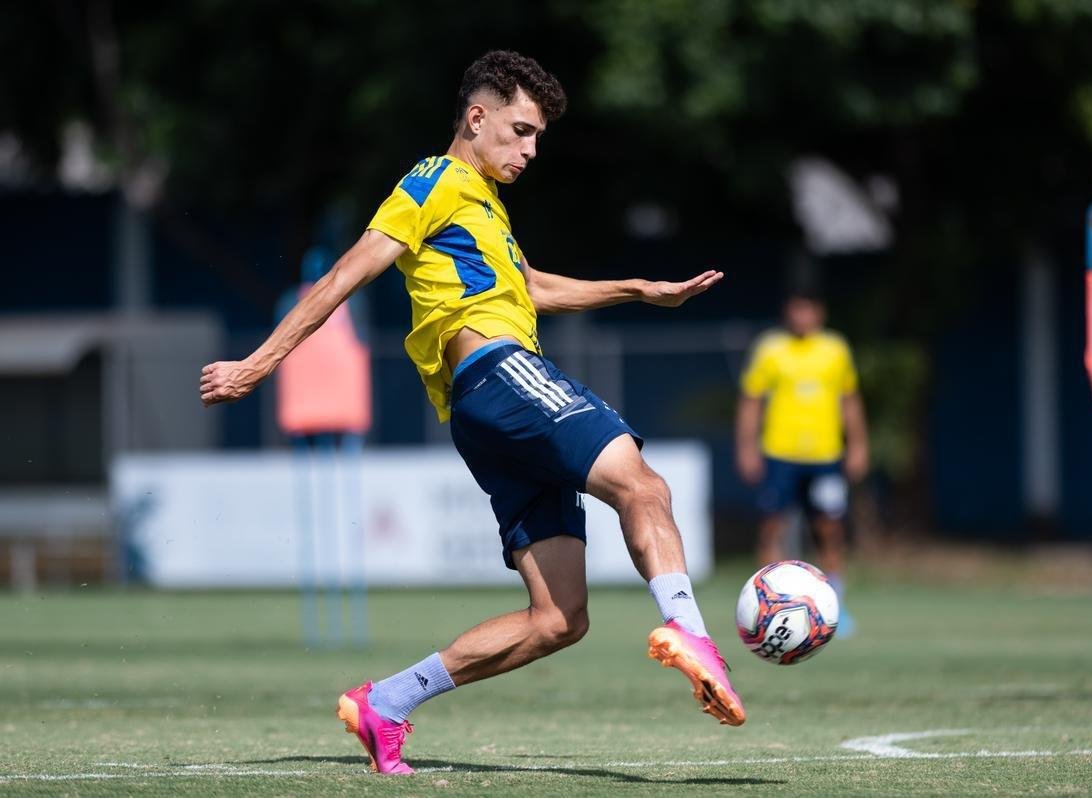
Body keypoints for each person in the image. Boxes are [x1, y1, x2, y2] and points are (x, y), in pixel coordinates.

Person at [199, 50, 744, 776]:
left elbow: (530, 288)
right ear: (476, 116)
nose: (530, 150)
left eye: (538, 138)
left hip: (481, 410)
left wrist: (641, 289)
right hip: (502, 375)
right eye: (520, 131)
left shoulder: (484, 202)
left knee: (559, 618)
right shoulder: (435, 180)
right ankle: (692, 632)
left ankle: (385, 703)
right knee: (643, 486)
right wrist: (259, 365)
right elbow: (345, 273)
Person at [735, 285, 870, 622]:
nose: (802, 317)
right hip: (780, 453)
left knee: (830, 528)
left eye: (808, 310)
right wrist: (746, 448)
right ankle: (765, 605)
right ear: (787, 313)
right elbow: (751, 401)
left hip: (825, 456)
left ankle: (834, 605)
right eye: (796, 310)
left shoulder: (834, 348)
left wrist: (858, 445)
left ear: (819, 313)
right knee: (771, 526)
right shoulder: (770, 348)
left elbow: (849, 400)